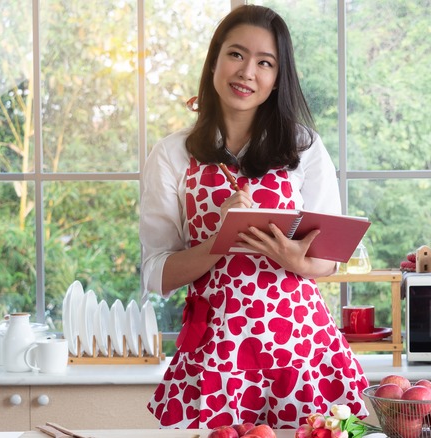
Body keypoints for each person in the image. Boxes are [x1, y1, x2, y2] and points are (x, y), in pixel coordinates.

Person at [139, 5, 369, 430]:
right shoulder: (173, 154)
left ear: (277, 78)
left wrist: (297, 261)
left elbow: (328, 260)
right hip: (217, 353)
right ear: (214, 61)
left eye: (265, 63)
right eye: (236, 55)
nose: (248, 72)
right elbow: (157, 272)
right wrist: (218, 241)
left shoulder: (304, 147)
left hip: (300, 349)